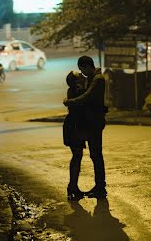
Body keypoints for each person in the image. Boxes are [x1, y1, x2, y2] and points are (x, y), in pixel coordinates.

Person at [63, 55, 108, 199]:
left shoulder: (97, 79)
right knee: (82, 156)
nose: (82, 75)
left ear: (86, 66)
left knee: (94, 155)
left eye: (82, 71)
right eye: (79, 75)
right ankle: (75, 187)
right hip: (79, 127)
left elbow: (87, 98)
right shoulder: (82, 86)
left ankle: (98, 187)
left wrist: (68, 102)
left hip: (92, 124)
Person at [63, 70, 87, 200]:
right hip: (75, 126)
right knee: (77, 156)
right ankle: (72, 186)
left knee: (77, 156)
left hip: (73, 125)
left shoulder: (73, 91)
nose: (82, 76)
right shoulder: (77, 91)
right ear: (76, 81)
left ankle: (73, 186)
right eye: (80, 75)